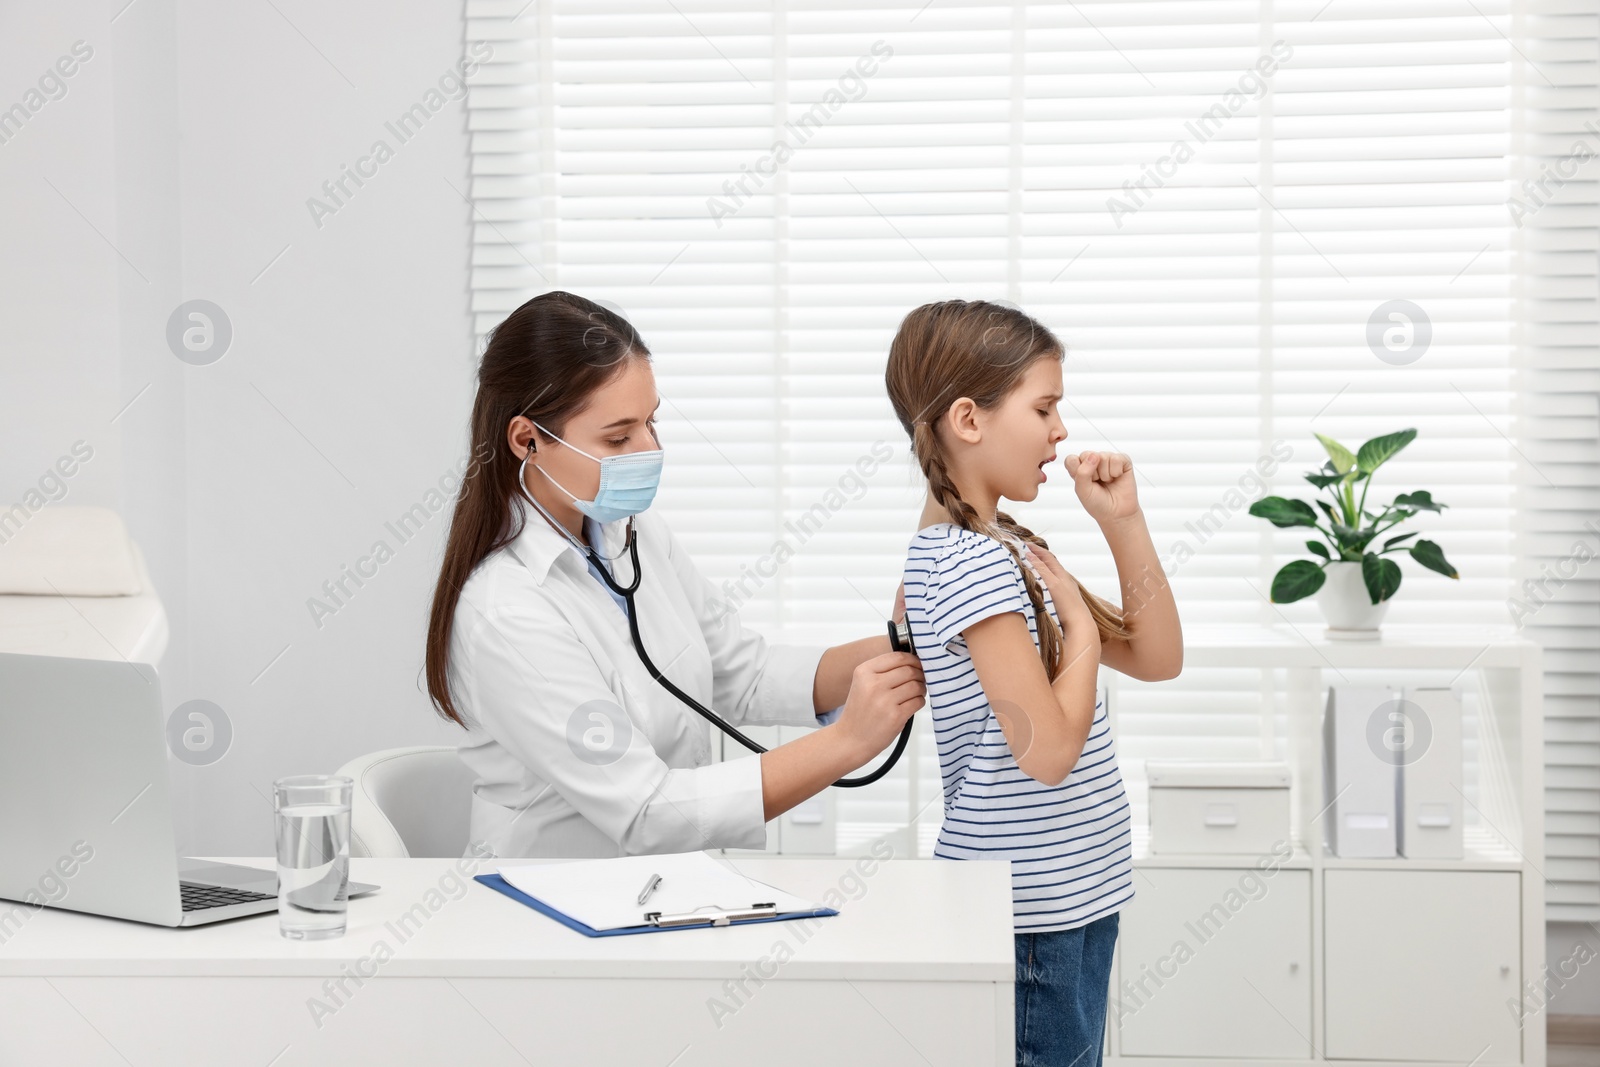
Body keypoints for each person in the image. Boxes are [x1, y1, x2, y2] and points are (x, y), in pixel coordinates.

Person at [425, 291, 924, 859]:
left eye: (651, 422)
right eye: (618, 437)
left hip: (659, 890)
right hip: (551, 911)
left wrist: (907, 645)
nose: (650, 448)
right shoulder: (506, 610)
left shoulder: (633, 537)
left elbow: (745, 674)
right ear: (527, 440)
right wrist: (848, 741)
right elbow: (647, 811)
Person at [884, 299, 1182, 1067]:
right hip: (1032, 914)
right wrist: (1080, 633)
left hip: (1077, 893)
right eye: (1044, 406)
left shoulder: (1002, 545)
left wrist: (1124, 520)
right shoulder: (965, 560)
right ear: (968, 420)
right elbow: (1045, 751)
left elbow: (1156, 655)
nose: (1061, 430)